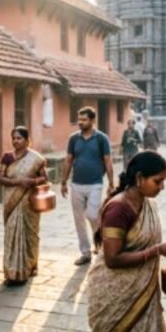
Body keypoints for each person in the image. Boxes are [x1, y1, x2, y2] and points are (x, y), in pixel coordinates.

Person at [87, 152, 166, 331]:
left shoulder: (146, 203)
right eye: (157, 181)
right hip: (116, 295)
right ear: (140, 178)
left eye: (163, 181)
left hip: (141, 293)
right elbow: (112, 259)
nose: (162, 187)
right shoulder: (119, 209)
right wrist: (157, 250)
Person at [60, 106, 115, 266]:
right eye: (79, 120)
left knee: (92, 215)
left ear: (92, 120)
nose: (80, 123)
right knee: (78, 220)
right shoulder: (74, 139)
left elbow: (108, 161)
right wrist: (63, 181)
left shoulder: (101, 139)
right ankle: (85, 253)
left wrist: (111, 183)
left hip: (95, 184)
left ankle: (99, 244)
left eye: (84, 120)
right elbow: (69, 160)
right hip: (76, 184)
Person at [0, 126, 49, 286]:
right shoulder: (7, 157)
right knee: (12, 233)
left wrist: (32, 182)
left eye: (19, 138)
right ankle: (11, 272)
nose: (15, 141)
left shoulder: (37, 159)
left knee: (30, 234)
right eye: (13, 138)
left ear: (27, 141)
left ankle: (30, 267)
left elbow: (44, 177)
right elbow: (0, 178)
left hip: (29, 203)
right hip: (12, 201)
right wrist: (18, 182)